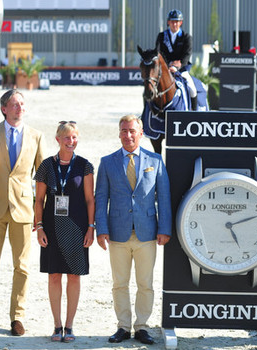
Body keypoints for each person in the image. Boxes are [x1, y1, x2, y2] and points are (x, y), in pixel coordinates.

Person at [0, 89, 46, 337]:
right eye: (14, 104)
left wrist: (41, 215)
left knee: (23, 267)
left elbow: (43, 178)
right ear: (4, 108)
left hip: (24, 209)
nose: (19, 108)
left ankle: (18, 317)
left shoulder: (37, 136)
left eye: (22, 104)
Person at [94, 114, 171, 345]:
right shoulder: (107, 162)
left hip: (148, 233)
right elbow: (101, 198)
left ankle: (142, 327)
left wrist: (164, 228)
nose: (128, 135)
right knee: (120, 283)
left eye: (132, 131)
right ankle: (123, 326)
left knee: (145, 284)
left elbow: (164, 197)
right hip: (117, 233)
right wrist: (101, 229)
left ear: (141, 133)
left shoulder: (155, 160)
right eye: (124, 131)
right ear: (119, 134)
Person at [33, 121, 95, 343]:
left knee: (74, 277)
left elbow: (90, 200)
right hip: (51, 227)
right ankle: (56, 325)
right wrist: (39, 227)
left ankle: (70, 326)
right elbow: (39, 200)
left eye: (74, 137)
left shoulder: (85, 166)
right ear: (57, 139)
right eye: (67, 138)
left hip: (78, 229)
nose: (71, 142)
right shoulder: (46, 166)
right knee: (54, 276)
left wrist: (91, 228)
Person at [155, 9, 197, 109]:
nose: (175, 24)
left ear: (181, 22)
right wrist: (168, 65)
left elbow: (187, 54)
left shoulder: (186, 37)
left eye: (177, 21)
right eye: (172, 21)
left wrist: (179, 65)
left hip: (181, 69)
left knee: (192, 88)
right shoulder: (161, 36)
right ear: (168, 22)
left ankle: (194, 112)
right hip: (165, 68)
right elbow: (159, 53)